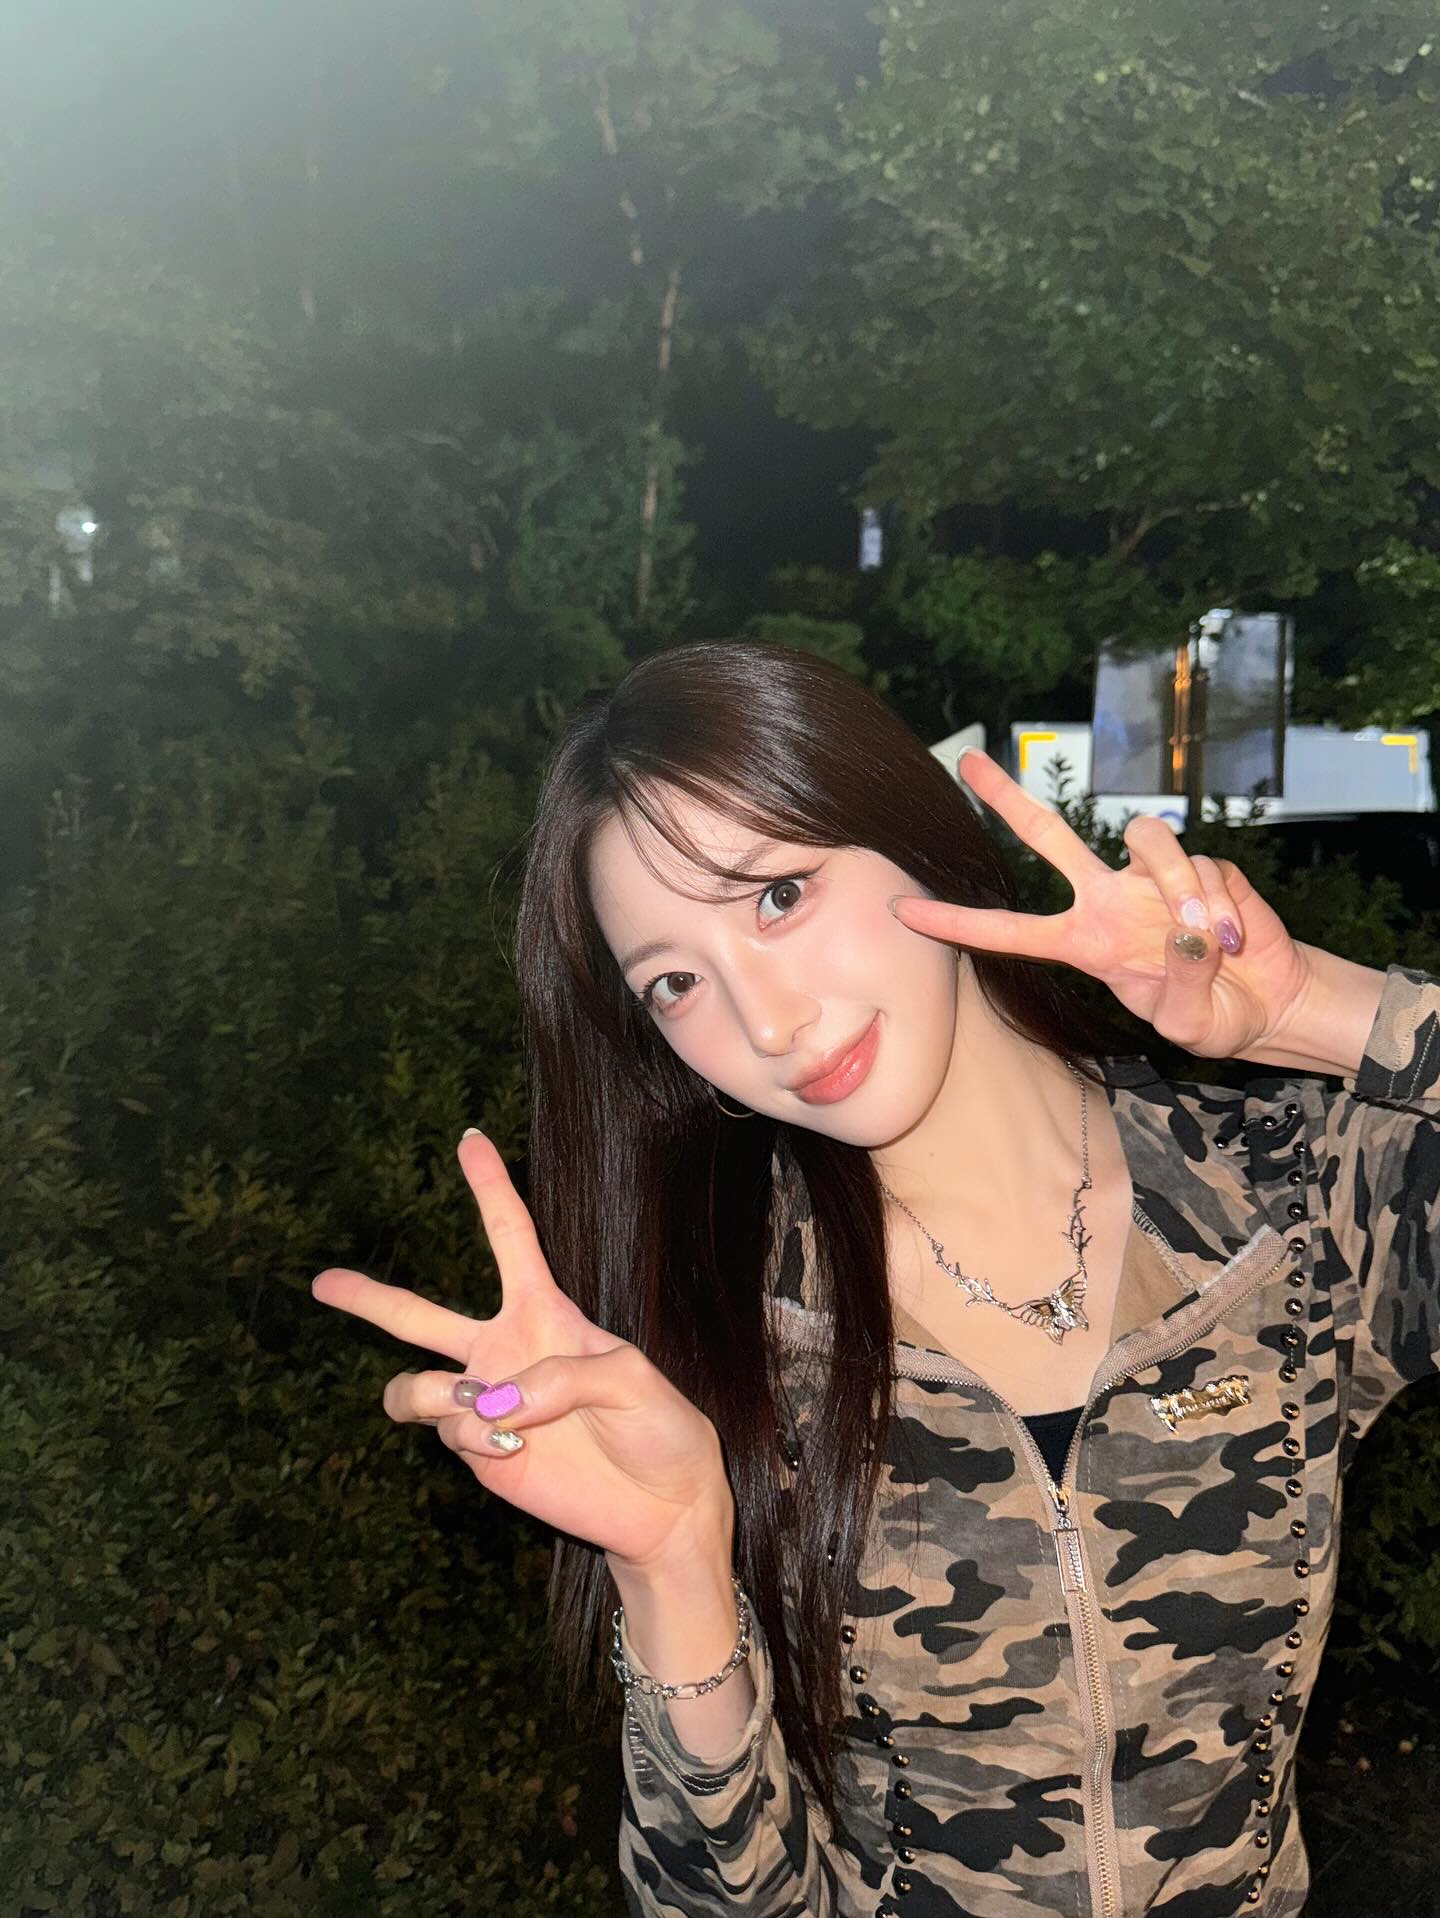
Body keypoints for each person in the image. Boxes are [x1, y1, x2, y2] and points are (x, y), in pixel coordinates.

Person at [311, 640, 1440, 1918]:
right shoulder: (715, 1339)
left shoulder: (1284, 1203)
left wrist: (1311, 1012)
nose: (769, 1022)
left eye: (778, 895)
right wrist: (675, 1568)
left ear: (910, 829)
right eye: (675, 982)